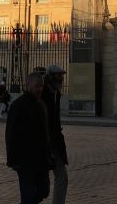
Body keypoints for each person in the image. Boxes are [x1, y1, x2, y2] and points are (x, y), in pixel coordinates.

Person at [6, 72, 51, 204]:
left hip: (41, 159)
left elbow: (45, 133)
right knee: (28, 195)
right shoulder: (18, 106)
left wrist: (49, 155)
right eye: (37, 86)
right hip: (25, 160)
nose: (40, 89)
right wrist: (13, 159)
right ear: (28, 85)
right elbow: (11, 134)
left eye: (41, 86)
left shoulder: (41, 105)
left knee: (44, 191)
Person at [41, 64, 69, 204]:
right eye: (59, 75)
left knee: (61, 176)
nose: (62, 78)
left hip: (54, 141)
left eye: (62, 76)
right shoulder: (44, 94)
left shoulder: (55, 93)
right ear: (51, 77)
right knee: (41, 181)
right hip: (45, 142)